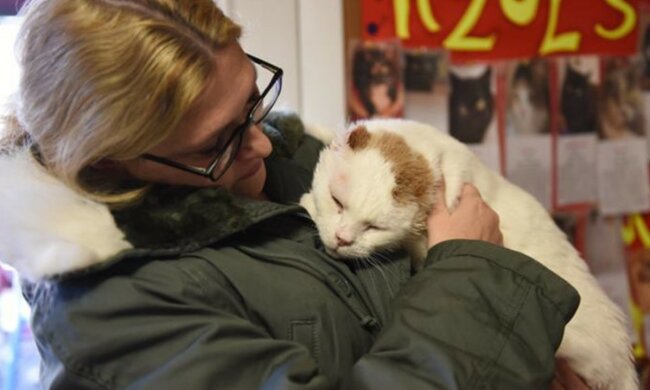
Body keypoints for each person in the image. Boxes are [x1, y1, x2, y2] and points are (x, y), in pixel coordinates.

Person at [0, 0, 587, 388]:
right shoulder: (112, 315)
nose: (262, 143)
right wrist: (477, 279)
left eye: (255, 99)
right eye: (217, 142)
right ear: (108, 159)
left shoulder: (294, 156)